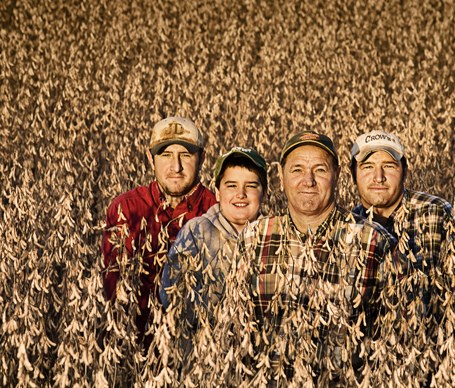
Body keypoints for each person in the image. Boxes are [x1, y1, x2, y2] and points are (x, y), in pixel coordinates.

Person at [232, 130, 395, 372]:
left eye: (320, 169)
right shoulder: (253, 238)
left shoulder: (373, 241)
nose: (308, 180)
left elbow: (395, 335)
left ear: (337, 175)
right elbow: (236, 330)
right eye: (297, 169)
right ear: (281, 175)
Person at [101, 116, 217, 345]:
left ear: (202, 158)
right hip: (135, 348)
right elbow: (113, 292)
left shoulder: (217, 211)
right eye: (165, 155)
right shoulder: (126, 209)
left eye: (185, 155)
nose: (176, 166)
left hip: (199, 353)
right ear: (150, 159)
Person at [349, 130, 455, 322]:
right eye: (367, 166)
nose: (378, 177)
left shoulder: (439, 214)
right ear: (353, 175)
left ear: (405, 173)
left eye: (389, 166)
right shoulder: (348, 228)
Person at [160, 146, 268, 333]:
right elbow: (172, 297)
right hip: (202, 351)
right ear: (217, 193)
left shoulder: (273, 238)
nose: (240, 193)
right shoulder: (197, 232)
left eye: (251, 185)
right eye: (231, 185)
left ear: (264, 194)